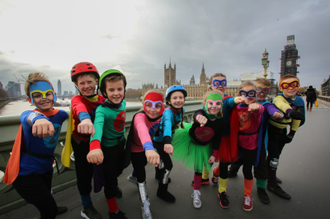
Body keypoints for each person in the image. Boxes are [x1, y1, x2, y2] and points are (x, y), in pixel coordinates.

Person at [4, 72, 68, 219]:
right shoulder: (29, 116)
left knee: (47, 197)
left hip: (46, 167)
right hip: (25, 173)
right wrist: (39, 119)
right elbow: (27, 116)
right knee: (48, 210)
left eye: (48, 94)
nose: (44, 98)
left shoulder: (61, 114)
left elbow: (77, 112)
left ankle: (49, 207)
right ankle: (50, 209)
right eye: (38, 95)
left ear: (54, 95)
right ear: (30, 99)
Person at [62, 62, 108, 219]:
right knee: (84, 176)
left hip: (100, 142)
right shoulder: (76, 99)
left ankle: (111, 188)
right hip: (82, 145)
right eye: (82, 83)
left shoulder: (103, 99)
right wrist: (86, 120)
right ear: (76, 85)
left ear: (96, 81)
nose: (87, 86)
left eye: (90, 82)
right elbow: (80, 109)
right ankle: (86, 206)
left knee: (108, 167)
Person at [228, 78, 284, 205]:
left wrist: (277, 113)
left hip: (258, 141)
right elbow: (226, 103)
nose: (261, 93)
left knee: (260, 164)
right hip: (240, 139)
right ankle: (228, 171)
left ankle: (261, 188)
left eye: (265, 90)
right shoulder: (239, 105)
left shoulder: (263, 104)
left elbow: (266, 109)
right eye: (258, 89)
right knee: (235, 159)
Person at [172, 90, 228, 208]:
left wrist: (214, 154)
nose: (214, 106)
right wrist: (199, 117)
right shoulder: (201, 113)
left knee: (207, 165)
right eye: (210, 103)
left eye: (218, 103)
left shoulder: (221, 122)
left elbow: (217, 138)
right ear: (205, 103)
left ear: (221, 105)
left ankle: (205, 180)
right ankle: (196, 192)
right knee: (198, 170)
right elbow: (197, 114)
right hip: (193, 143)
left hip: (206, 145)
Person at [87, 69, 128, 219]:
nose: (116, 93)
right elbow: (97, 128)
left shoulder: (123, 103)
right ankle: (113, 211)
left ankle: (114, 184)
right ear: (104, 92)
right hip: (108, 149)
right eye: (111, 90)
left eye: (119, 89)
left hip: (120, 144)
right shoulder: (102, 110)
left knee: (118, 171)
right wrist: (95, 147)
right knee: (110, 181)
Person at [123, 89, 163, 219]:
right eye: (149, 104)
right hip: (137, 149)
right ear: (143, 103)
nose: (153, 109)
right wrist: (149, 148)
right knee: (142, 176)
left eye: (157, 105)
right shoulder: (139, 117)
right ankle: (145, 205)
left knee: (143, 165)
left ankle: (133, 177)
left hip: (147, 149)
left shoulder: (162, 116)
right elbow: (142, 131)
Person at [267, 74, 305, 200]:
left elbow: (297, 119)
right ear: (281, 87)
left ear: (298, 86)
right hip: (272, 130)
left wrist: (292, 133)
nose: (290, 88)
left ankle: (270, 174)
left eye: (293, 84)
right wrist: (289, 112)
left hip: (282, 130)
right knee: (274, 157)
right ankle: (271, 184)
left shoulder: (299, 101)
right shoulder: (279, 98)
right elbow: (281, 104)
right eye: (286, 85)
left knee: (276, 154)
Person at [153, 85, 187, 203]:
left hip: (166, 139)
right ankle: (161, 191)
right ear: (168, 101)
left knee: (162, 158)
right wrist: (167, 141)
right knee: (168, 165)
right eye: (175, 98)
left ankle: (158, 175)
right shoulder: (168, 112)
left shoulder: (181, 110)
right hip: (160, 140)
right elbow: (167, 125)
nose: (178, 100)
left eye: (181, 97)